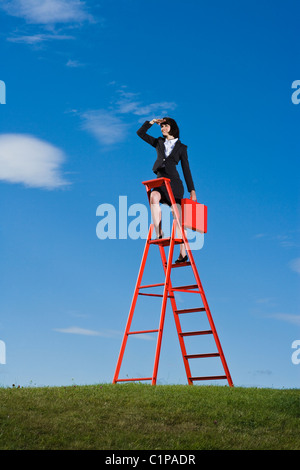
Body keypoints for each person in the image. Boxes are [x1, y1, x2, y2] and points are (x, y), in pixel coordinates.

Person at [137, 117, 197, 263]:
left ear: (172, 127)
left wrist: (192, 190)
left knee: (178, 216)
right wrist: (151, 122)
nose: (163, 128)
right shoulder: (158, 142)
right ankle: (159, 232)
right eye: (161, 126)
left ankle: (182, 253)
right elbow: (141, 133)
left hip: (174, 184)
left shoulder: (182, 148)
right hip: (160, 181)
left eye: (165, 126)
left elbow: (186, 170)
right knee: (153, 197)